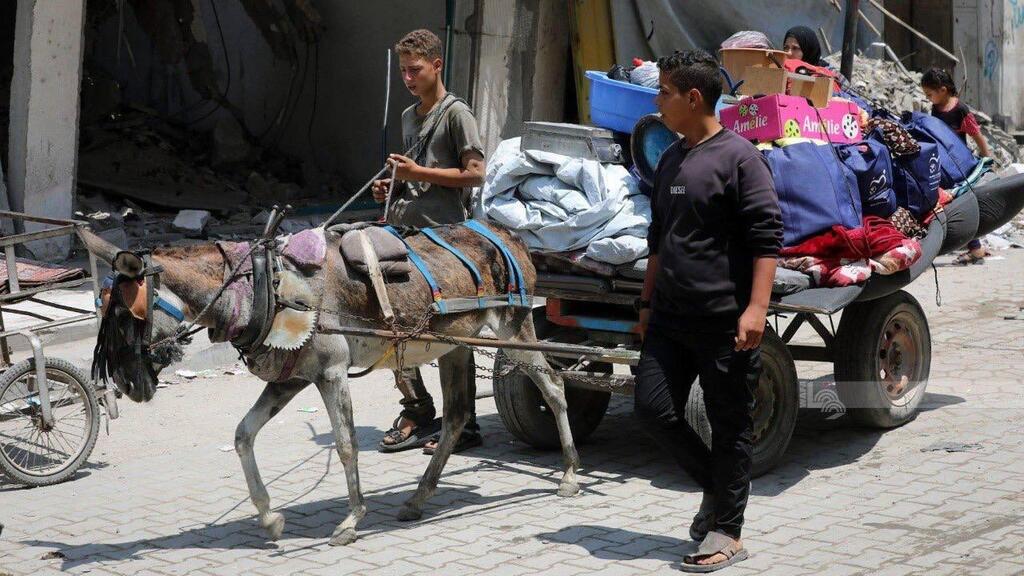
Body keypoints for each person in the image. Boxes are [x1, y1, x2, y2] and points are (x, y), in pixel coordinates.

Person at [633, 50, 783, 572]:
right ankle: (716, 492)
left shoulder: (741, 159)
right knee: (652, 410)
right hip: (670, 318)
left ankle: (728, 531)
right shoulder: (671, 157)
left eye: (665, 92)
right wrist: (648, 303)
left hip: (726, 321)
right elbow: (658, 240)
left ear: (692, 97)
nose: (658, 102)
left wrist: (756, 309)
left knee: (730, 425)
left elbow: (767, 240)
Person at [371, 29, 486, 454]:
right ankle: (417, 408)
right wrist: (393, 188)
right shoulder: (408, 117)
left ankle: (464, 422)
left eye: (415, 69)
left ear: (436, 65)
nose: (408, 77)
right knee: (392, 321)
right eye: (403, 70)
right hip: (405, 234)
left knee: (451, 333)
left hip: (444, 241)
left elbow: (475, 173)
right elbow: (413, 179)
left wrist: (418, 174)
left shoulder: (457, 114)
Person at [921, 67, 993, 265]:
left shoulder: (960, 110)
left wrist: (986, 158)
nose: (928, 99)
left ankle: (976, 249)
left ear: (943, 90)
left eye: (930, 94)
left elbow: (976, 134)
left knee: (961, 203)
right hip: (942, 164)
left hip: (960, 165)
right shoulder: (936, 109)